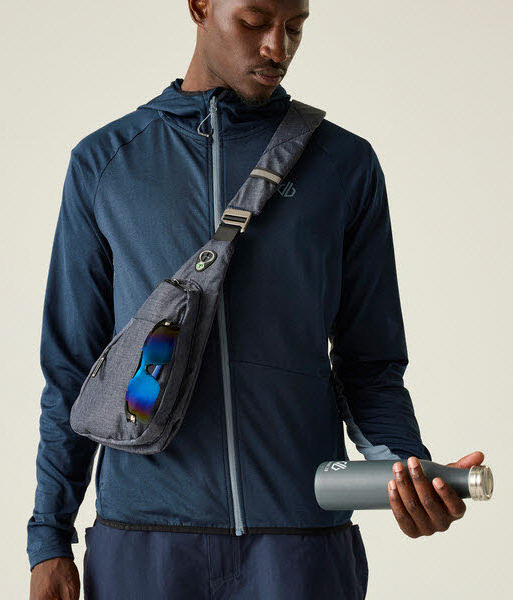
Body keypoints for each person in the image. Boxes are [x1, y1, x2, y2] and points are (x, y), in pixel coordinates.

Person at [27, 1, 485, 598]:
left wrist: (405, 471)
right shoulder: (107, 161)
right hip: (143, 540)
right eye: (254, 21)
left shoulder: (343, 164)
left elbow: (370, 365)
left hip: (300, 546)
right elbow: (73, 368)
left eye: (295, 26)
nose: (278, 47)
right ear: (200, 7)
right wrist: (49, 537)